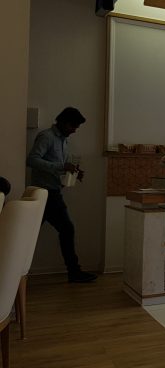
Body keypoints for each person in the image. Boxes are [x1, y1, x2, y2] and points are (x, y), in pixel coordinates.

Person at [27, 107, 96, 283]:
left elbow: (60, 165)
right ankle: (74, 272)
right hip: (43, 192)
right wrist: (61, 167)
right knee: (64, 229)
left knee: (33, 232)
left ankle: (74, 272)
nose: (75, 130)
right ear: (65, 123)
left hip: (52, 192)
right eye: (74, 126)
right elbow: (32, 160)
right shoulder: (46, 136)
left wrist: (73, 172)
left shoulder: (64, 141)